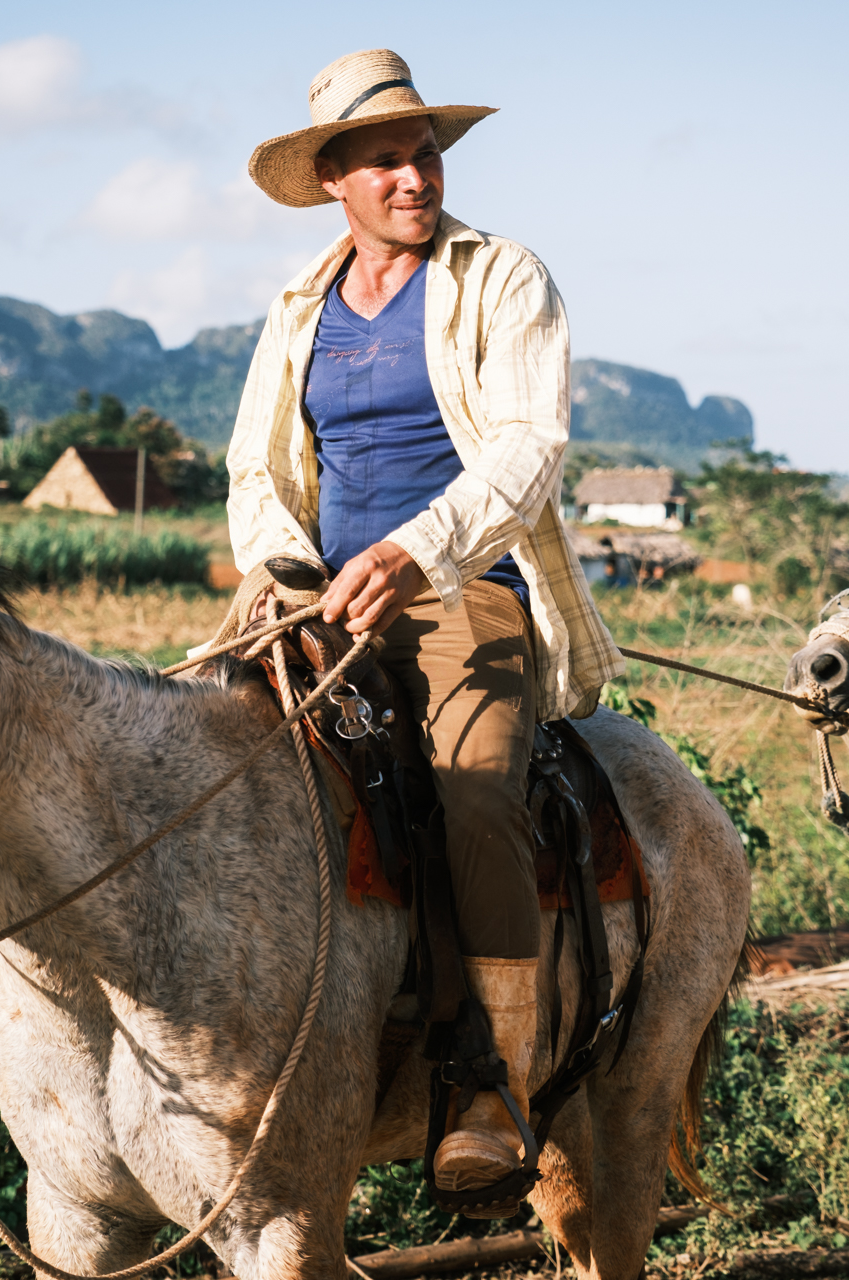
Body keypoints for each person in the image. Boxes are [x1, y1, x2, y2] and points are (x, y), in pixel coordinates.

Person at [231, 48, 623, 1204]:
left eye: (427, 152)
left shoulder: (500, 276)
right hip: (318, 593)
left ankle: (491, 1080)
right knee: (197, 757)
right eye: (386, 160)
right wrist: (281, 563)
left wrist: (413, 552)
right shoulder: (299, 305)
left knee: (476, 788)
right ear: (335, 181)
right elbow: (255, 464)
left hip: (463, 588)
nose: (415, 175)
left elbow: (526, 448)